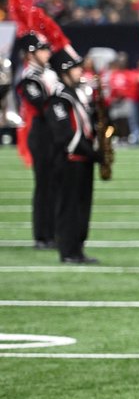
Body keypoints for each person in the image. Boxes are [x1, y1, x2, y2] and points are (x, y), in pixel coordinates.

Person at [45, 45, 99, 264]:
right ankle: (68, 251)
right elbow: (64, 135)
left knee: (82, 206)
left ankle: (78, 248)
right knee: (69, 207)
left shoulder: (76, 94)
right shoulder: (58, 98)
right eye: (75, 69)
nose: (80, 72)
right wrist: (90, 152)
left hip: (83, 159)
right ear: (64, 72)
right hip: (69, 160)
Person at [12, 14, 56, 249]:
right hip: (40, 130)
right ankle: (42, 235)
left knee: (54, 183)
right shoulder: (29, 76)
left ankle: (53, 232)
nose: (47, 52)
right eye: (42, 49)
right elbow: (40, 103)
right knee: (43, 184)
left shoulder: (50, 73)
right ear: (31, 54)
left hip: (53, 131)